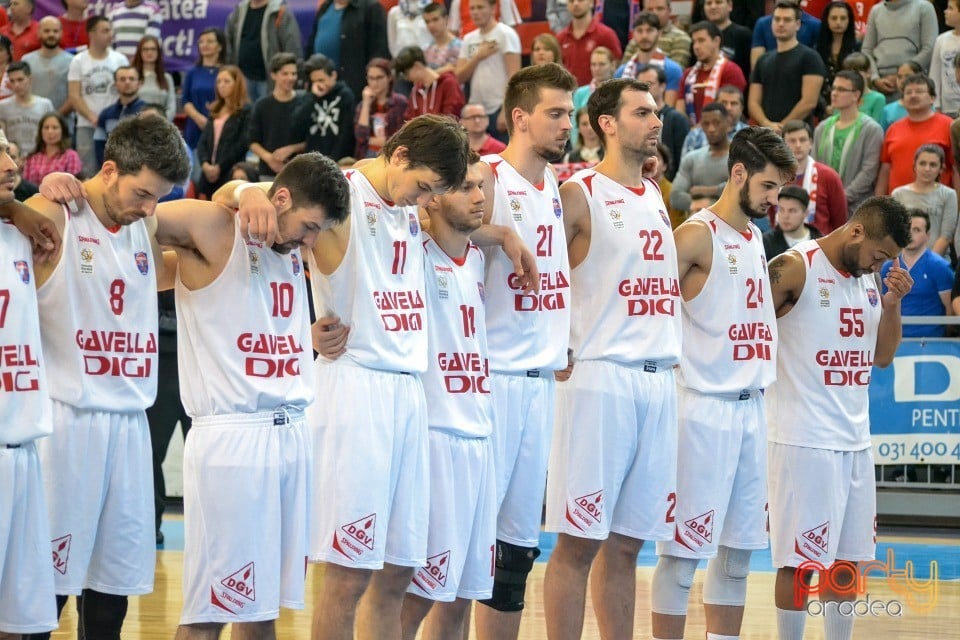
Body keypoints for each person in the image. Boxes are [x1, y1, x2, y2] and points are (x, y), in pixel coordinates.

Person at [219, 115, 506, 640]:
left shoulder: (406, 208)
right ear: (398, 158)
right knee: (347, 576)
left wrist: (508, 235)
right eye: (423, 187)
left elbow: (462, 225)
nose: (425, 201)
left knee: (398, 571)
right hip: (357, 390)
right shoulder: (341, 198)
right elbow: (261, 215)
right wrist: (246, 188)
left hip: (408, 395)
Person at [5, 113, 190, 640]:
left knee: (112, 592)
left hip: (130, 424)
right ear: (108, 170)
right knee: (46, 589)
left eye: (159, 197)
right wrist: (17, 198)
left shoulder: (144, 223)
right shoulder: (53, 215)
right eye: (142, 193)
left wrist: (246, 192)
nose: (150, 207)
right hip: (68, 424)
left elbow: (224, 209)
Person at [167, 153, 350, 638]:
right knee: (210, 610)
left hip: (290, 434)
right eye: (309, 226)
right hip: (234, 437)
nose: (310, 242)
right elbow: (130, 220)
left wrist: (302, 342)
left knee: (261, 608)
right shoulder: (216, 227)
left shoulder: (286, 243)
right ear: (281, 200)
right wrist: (237, 188)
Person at [543, 77, 680, 640]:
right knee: (579, 540)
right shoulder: (578, 194)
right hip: (600, 377)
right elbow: (535, 275)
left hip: (658, 378)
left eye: (657, 113)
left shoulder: (656, 193)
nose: (656, 122)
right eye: (643, 113)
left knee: (628, 544)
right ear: (607, 123)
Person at [651, 125, 794, 640]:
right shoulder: (693, 235)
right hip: (703, 409)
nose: (775, 199)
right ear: (739, 174)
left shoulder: (755, 237)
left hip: (754, 406)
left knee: (737, 555)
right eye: (769, 186)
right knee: (684, 552)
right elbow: (647, 304)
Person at [766, 195, 912, 640]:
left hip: (854, 441)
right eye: (879, 255)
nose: (879, 265)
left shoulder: (868, 280)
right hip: (802, 440)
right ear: (856, 231)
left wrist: (891, 304)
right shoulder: (796, 266)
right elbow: (746, 324)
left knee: (847, 563)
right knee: (799, 562)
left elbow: (883, 356)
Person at [473, 62, 576, 640]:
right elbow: (425, 214)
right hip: (492, 380)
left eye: (569, 114)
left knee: (515, 556)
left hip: (540, 382)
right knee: (466, 548)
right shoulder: (487, 177)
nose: (566, 124)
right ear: (520, 117)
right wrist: (500, 233)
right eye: (555, 113)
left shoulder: (555, 189)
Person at [398, 153, 499, 640]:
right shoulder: (410, 251)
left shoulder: (478, 258)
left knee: (461, 593)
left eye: (481, 186)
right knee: (415, 594)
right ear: (432, 195)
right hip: (436, 436)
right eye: (466, 188)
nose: (480, 197)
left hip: (480, 434)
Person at [0, 128, 59, 640]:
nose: (7, 163)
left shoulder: (26, 232)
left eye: (9, 151)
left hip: (23, 449)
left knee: (29, 624)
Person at [812, 71, 884, 215]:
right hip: (823, 206)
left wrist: (841, 197)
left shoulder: (871, 129)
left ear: (856, 95)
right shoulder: (822, 127)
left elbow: (869, 171)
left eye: (841, 89)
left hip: (857, 208)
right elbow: (814, 165)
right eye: (834, 88)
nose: (834, 93)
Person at [748, 1, 825, 134]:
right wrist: (767, 124)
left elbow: (809, 101)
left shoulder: (810, 57)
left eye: (787, 20)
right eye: (777, 19)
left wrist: (783, 127)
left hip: (798, 135)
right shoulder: (763, 60)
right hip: (767, 134)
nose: (781, 24)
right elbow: (753, 102)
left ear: (798, 24)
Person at [67, 16, 128, 175]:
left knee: (118, 170)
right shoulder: (78, 61)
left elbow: (127, 93)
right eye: (105, 31)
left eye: (111, 30)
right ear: (92, 34)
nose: (110, 34)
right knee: (88, 171)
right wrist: (93, 118)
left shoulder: (120, 59)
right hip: (86, 125)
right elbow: (74, 95)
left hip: (115, 125)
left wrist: (106, 120)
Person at [880, 210, 954, 337]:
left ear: (928, 235)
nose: (910, 234)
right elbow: (881, 307)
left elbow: (950, 310)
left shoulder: (940, 267)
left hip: (933, 340)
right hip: (895, 340)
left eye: (917, 230)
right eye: (907, 229)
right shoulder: (887, 267)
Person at [877, 74, 954, 195]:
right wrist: (878, 205)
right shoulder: (893, 129)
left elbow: (956, 169)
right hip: (898, 206)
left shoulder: (948, 125)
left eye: (919, 91)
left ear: (932, 98)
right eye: (908, 92)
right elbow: (885, 170)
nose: (913, 96)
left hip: (937, 204)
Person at [455, 0, 521, 141]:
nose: (475, 12)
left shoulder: (506, 34)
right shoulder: (468, 39)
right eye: (472, 8)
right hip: (476, 108)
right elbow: (459, 77)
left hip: (499, 107)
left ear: (493, 8)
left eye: (480, 7)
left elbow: (515, 76)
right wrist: (477, 57)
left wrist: (507, 109)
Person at [305, 0, 389, 100]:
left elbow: (380, 50)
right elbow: (311, 45)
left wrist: (374, 83)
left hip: (356, 88)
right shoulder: (325, 7)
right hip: (322, 88)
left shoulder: (371, 8)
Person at [225, 0, 303, 102]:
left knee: (269, 115)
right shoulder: (238, 12)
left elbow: (292, 48)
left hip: (270, 80)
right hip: (243, 78)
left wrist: (288, 76)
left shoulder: (280, 12)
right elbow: (228, 45)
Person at [781, 119, 847, 235]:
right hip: (780, 245)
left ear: (811, 143)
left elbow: (840, 222)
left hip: (819, 246)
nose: (798, 145)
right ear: (783, 144)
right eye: (792, 141)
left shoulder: (829, 176)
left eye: (802, 140)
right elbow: (772, 215)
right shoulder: (775, 176)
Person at [861, 0, 937, 99]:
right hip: (880, 84)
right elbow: (866, 50)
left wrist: (903, 74)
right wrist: (875, 78)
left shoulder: (924, 7)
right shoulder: (876, 10)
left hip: (914, 83)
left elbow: (929, 47)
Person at [891, 144, 958, 257]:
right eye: (922, 163)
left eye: (933, 165)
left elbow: (946, 236)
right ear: (914, 166)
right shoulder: (898, 194)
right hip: (903, 262)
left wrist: (927, 263)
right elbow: (894, 233)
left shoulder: (949, 195)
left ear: (941, 169)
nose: (927, 169)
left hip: (936, 262)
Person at [248, 52, 307, 179]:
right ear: (274, 75)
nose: (290, 78)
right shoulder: (262, 105)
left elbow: (312, 138)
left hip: (299, 172)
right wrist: (270, 159)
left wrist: (291, 149)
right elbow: (252, 141)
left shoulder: (305, 100)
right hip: (268, 172)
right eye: (285, 73)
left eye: (293, 73)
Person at [196, 65, 252, 199]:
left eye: (226, 81)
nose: (221, 85)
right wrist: (204, 164)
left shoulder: (245, 111)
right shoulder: (215, 110)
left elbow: (242, 143)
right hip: (208, 172)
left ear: (237, 84)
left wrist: (220, 167)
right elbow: (203, 141)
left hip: (230, 171)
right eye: (219, 81)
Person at [676, 21, 746, 126]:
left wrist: (699, 130)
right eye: (694, 42)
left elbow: (729, 110)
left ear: (716, 41)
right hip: (690, 134)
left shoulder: (732, 71)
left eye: (701, 40)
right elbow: (680, 109)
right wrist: (689, 132)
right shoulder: (688, 74)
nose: (696, 46)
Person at [670, 102, 731, 215]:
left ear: (727, 123)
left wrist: (707, 191)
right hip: (697, 226)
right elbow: (675, 197)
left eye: (716, 123)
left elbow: (742, 194)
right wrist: (706, 202)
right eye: (706, 124)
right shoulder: (691, 159)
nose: (711, 129)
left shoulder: (740, 158)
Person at [616, 12, 682, 106]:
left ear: (659, 33)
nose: (644, 36)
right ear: (633, 34)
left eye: (649, 30)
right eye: (639, 31)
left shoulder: (672, 70)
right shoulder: (621, 72)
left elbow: (668, 110)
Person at [635, 63, 688, 181]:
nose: (644, 88)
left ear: (663, 86)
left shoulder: (677, 120)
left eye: (649, 84)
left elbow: (682, 161)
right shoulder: (633, 119)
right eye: (640, 85)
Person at [557, 0, 622, 86]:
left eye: (581, 0)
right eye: (571, 1)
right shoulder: (560, 38)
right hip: (569, 95)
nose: (576, 3)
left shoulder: (606, 35)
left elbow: (617, 67)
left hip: (599, 95)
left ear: (591, 3)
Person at [22, 17, 73, 123]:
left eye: (55, 31)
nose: (51, 34)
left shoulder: (72, 61)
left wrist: (53, 118)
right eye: (47, 31)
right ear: (39, 33)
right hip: (32, 122)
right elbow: (22, 92)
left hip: (63, 124)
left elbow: (74, 96)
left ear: (61, 33)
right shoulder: (27, 60)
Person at [355, 58, 408, 159]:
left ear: (389, 77)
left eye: (379, 78)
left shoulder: (400, 103)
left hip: (390, 155)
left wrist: (370, 140)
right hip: (366, 155)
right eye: (371, 78)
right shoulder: (363, 104)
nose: (375, 83)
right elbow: (361, 137)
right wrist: (366, 104)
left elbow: (399, 138)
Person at [394, 46, 466, 120]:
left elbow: (452, 115)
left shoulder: (448, 83)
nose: (407, 78)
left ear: (417, 66)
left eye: (407, 73)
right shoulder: (415, 91)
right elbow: (409, 118)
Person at [182, 27, 225, 150]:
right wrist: (199, 118)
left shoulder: (226, 71)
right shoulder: (192, 72)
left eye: (210, 41)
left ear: (220, 47)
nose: (204, 45)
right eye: (201, 42)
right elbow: (186, 100)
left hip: (221, 128)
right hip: (195, 127)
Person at [93, 66, 145, 167]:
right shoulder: (106, 114)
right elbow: (99, 144)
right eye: (122, 79)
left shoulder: (148, 113)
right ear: (115, 84)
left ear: (139, 83)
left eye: (131, 79)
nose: (127, 82)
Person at [0, 60, 54, 156]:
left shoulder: (45, 105)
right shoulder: (3, 107)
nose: (16, 85)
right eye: (12, 81)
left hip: (40, 159)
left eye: (20, 80)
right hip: (13, 159)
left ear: (30, 79)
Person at [815, 1, 858, 117]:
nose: (838, 22)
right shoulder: (817, 51)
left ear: (849, 20)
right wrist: (825, 107)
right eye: (834, 18)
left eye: (843, 18)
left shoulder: (857, 48)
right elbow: (814, 83)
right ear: (827, 20)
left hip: (851, 106)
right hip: (823, 109)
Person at [680, 84, 746, 159]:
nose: (728, 108)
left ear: (741, 108)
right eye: (724, 103)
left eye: (733, 103)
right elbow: (685, 167)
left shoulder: (750, 135)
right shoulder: (695, 136)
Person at [571, 46, 616, 145]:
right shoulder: (580, 93)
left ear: (612, 65)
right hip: (584, 148)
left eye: (602, 64)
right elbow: (574, 125)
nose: (597, 68)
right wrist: (577, 149)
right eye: (593, 64)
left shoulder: (620, 92)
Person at [764, 184, 823, 258]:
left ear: (805, 213)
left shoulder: (820, 242)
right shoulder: (766, 242)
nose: (785, 216)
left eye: (792, 211)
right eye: (781, 210)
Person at [22, 112, 81, 183]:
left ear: (63, 131)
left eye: (55, 128)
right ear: (40, 131)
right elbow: (26, 185)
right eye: (46, 128)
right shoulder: (32, 157)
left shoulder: (71, 156)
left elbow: (74, 184)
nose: (50, 131)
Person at [701, 0, 752, 78]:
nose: (713, 7)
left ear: (730, 6)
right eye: (708, 3)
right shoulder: (698, 35)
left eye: (718, 2)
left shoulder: (743, 35)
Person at [132, 35, 175, 121]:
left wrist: (160, 122)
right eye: (145, 49)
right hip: (137, 126)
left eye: (153, 49)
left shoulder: (167, 78)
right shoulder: (132, 77)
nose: (149, 52)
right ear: (139, 52)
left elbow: (171, 107)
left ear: (158, 52)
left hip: (161, 127)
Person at [931, 0, 960, 118]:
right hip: (947, 108)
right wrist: (936, 105)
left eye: (950, 8)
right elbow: (934, 74)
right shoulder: (941, 40)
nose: (945, 11)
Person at [422, 2, 461, 74]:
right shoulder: (426, 49)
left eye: (435, 19)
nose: (431, 25)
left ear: (446, 19)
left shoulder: (459, 47)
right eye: (427, 22)